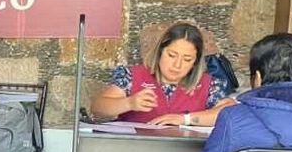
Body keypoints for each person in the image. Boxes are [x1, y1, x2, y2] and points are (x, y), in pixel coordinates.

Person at [90, 23, 233, 126]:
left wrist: (185, 119)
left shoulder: (210, 85)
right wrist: (128, 103)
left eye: (187, 59)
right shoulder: (131, 76)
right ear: (160, 52)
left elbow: (229, 114)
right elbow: (98, 108)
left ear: (195, 62)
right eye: (171, 55)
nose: (177, 65)